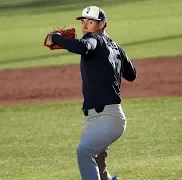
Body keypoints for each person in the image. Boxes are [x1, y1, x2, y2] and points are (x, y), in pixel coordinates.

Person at [44, 5, 137, 180]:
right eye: (84, 21)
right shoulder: (116, 47)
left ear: (102, 24)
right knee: (100, 168)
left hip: (109, 118)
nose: (85, 26)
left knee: (84, 151)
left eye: (91, 22)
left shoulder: (93, 39)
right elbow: (131, 74)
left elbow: (85, 46)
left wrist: (56, 38)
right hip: (93, 120)